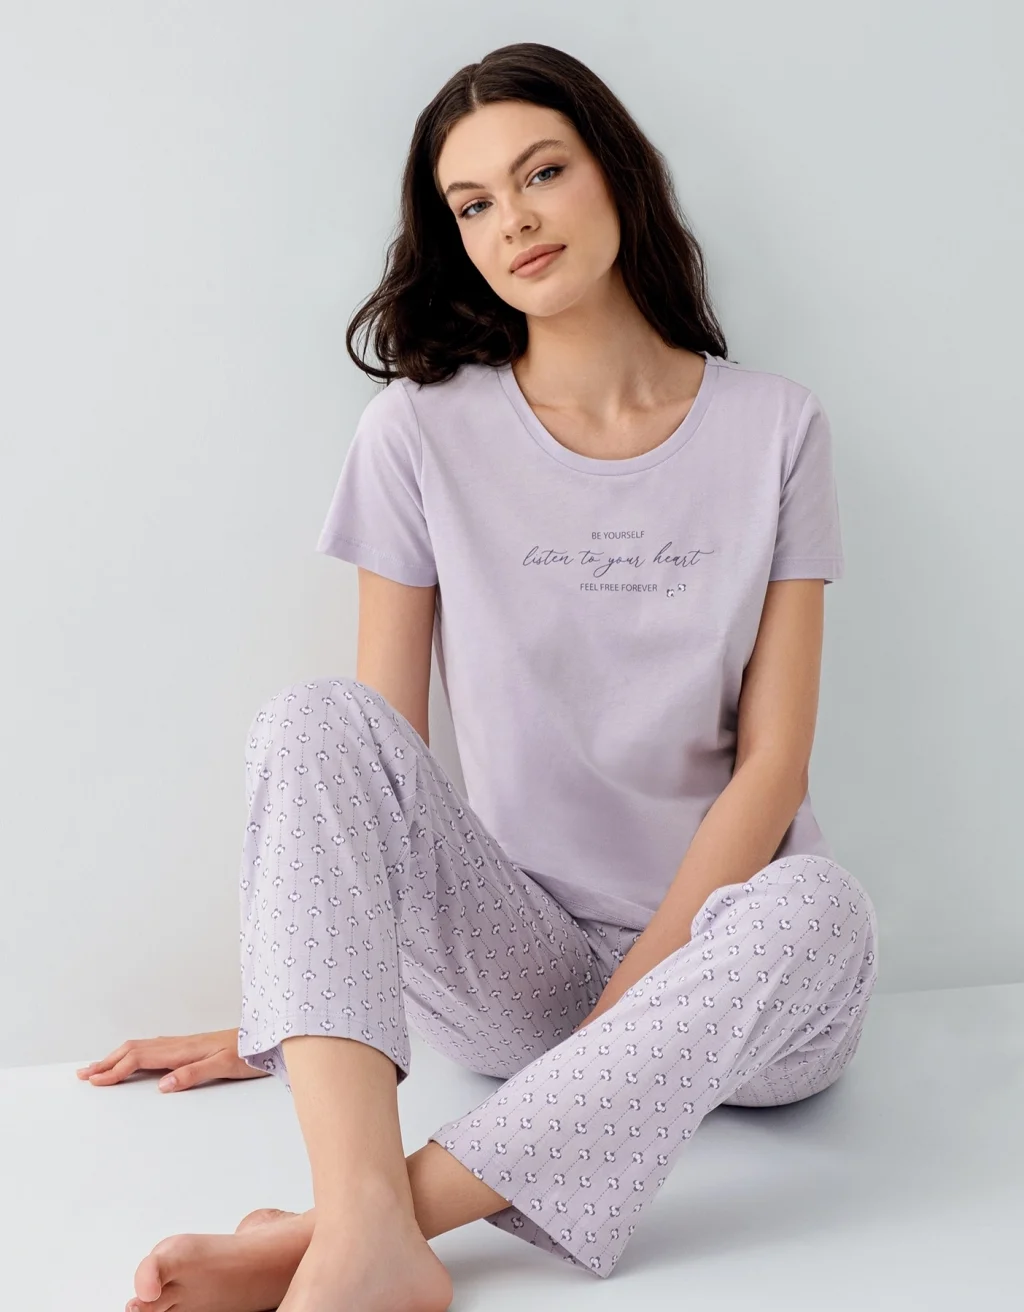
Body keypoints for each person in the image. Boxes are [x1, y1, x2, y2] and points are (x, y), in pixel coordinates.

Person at [78, 41, 879, 1312]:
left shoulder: (777, 427)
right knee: (317, 719)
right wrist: (295, 1014)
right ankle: (365, 1227)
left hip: (740, 984)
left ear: (615, 173)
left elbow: (773, 767)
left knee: (820, 903)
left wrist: (630, 1017)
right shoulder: (417, 432)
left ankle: (349, 1233)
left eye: (541, 173)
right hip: (516, 975)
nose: (513, 220)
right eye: (472, 204)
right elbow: (375, 772)